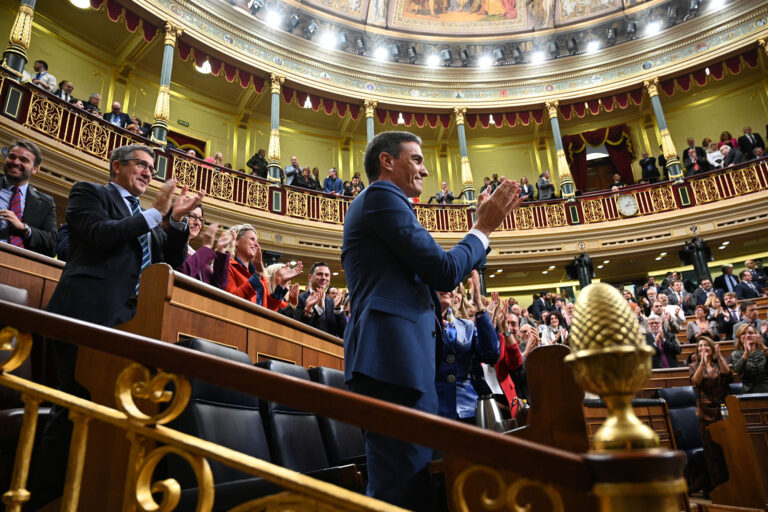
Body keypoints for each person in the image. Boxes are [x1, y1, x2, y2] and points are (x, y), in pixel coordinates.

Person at [342, 131, 522, 510]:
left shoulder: (393, 206)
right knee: (400, 488)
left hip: (405, 363)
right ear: (387, 161)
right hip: (391, 362)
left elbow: (444, 271)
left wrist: (481, 233)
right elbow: (443, 271)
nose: (425, 169)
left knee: (419, 484)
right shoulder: (381, 197)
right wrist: (483, 228)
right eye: (417, 159)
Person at [40, 144, 201, 504]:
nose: (147, 172)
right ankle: (43, 497)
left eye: (151, 168)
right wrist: (157, 213)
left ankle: (95, 494)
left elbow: (168, 262)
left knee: (113, 413)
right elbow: (101, 235)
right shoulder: (89, 193)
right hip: (86, 314)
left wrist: (174, 222)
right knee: (74, 405)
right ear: (116, 167)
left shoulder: (148, 216)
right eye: (140, 165)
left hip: (133, 323)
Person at [435, 282, 499, 423]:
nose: (447, 289)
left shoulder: (467, 326)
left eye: (452, 286)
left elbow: (491, 354)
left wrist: (480, 308)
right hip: (433, 409)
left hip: (468, 409)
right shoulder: (421, 323)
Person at [689, 337, 732, 498]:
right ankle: (717, 488)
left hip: (723, 411)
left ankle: (731, 484)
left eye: (706, 345)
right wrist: (702, 362)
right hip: (705, 414)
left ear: (712, 348)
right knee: (712, 453)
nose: (703, 348)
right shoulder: (693, 365)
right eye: (700, 346)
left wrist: (719, 356)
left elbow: (728, 375)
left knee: (726, 450)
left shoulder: (718, 363)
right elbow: (696, 381)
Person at [0, 140, 58, 256]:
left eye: (24, 160)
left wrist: (24, 228)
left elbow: (52, 242)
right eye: (12, 157)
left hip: (22, 265)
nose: (16, 162)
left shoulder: (46, 203)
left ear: (35, 169)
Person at [225, 224, 302, 310]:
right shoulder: (227, 266)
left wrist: (282, 284)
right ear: (237, 241)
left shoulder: (261, 275)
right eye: (252, 239)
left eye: (257, 241)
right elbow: (232, 300)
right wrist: (257, 275)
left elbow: (269, 308)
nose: (256, 245)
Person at [176, 206, 232, 289]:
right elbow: (181, 275)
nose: (197, 223)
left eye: (200, 219)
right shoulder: (172, 245)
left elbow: (219, 286)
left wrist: (221, 250)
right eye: (192, 216)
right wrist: (206, 247)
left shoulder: (194, 254)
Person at [294, 262, 346, 338]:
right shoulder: (299, 299)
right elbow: (298, 330)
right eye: (319, 274)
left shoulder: (333, 303)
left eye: (327, 275)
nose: (324, 278)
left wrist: (338, 310)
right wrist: (318, 309)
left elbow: (344, 334)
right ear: (310, 277)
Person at [730, 324, 768, 394]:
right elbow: (738, 370)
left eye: (750, 333)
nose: (747, 335)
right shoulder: (736, 353)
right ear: (739, 337)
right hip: (749, 393)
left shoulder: (765, 350)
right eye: (743, 333)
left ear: (756, 335)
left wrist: (763, 346)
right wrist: (746, 353)